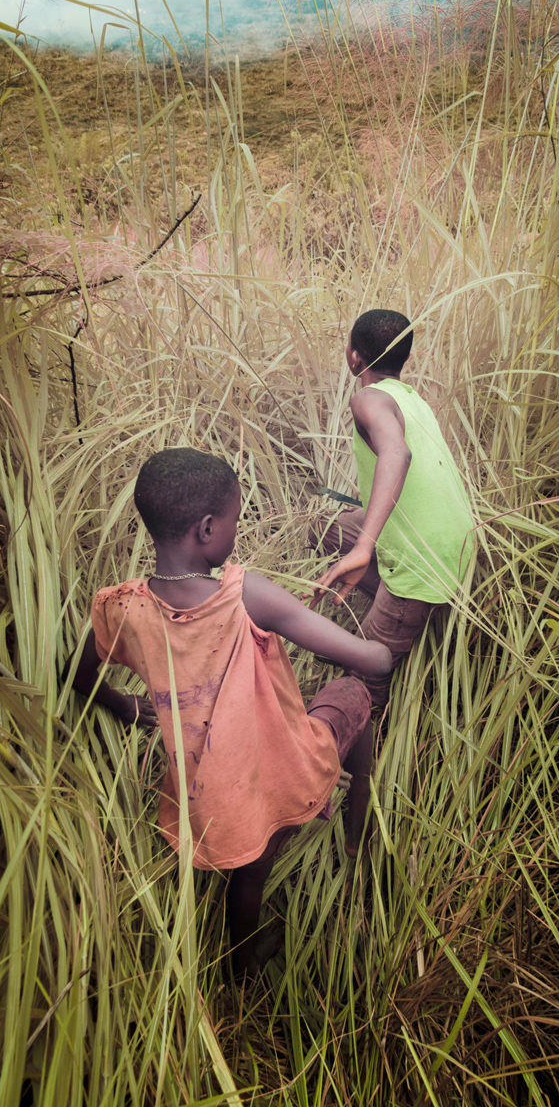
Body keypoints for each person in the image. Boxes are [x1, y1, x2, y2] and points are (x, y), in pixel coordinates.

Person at [66, 447, 391, 977]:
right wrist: (383, 644)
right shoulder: (243, 596)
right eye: (237, 519)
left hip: (206, 793)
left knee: (249, 872)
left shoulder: (120, 606)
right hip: (276, 773)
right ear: (208, 527)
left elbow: (77, 673)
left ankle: (241, 969)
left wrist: (127, 707)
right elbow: (368, 657)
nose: (236, 532)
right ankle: (357, 827)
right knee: (353, 695)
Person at [310, 308, 475, 707]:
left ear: (354, 356)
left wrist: (364, 546)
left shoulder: (367, 398)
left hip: (425, 557)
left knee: (366, 670)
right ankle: (395, 608)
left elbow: (397, 453)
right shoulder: (411, 398)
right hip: (456, 535)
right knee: (326, 527)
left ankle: (376, 724)